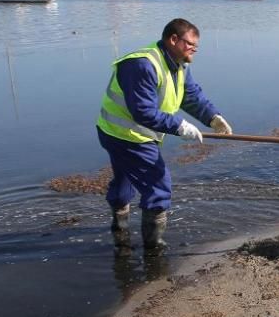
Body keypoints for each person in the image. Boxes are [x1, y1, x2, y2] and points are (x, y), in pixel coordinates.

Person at [97, 18, 232, 252]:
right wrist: (180, 126)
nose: (194, 49)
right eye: (190, 44)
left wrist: (213, 117)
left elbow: (191, 96)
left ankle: (121, 237)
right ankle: (154, 251)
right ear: (173, 39)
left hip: (125, 132)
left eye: (196, 46)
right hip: (128, 136)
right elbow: (143, 112)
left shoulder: (178, 64)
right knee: (159, 186)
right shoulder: (142, 65)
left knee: (124, 182)